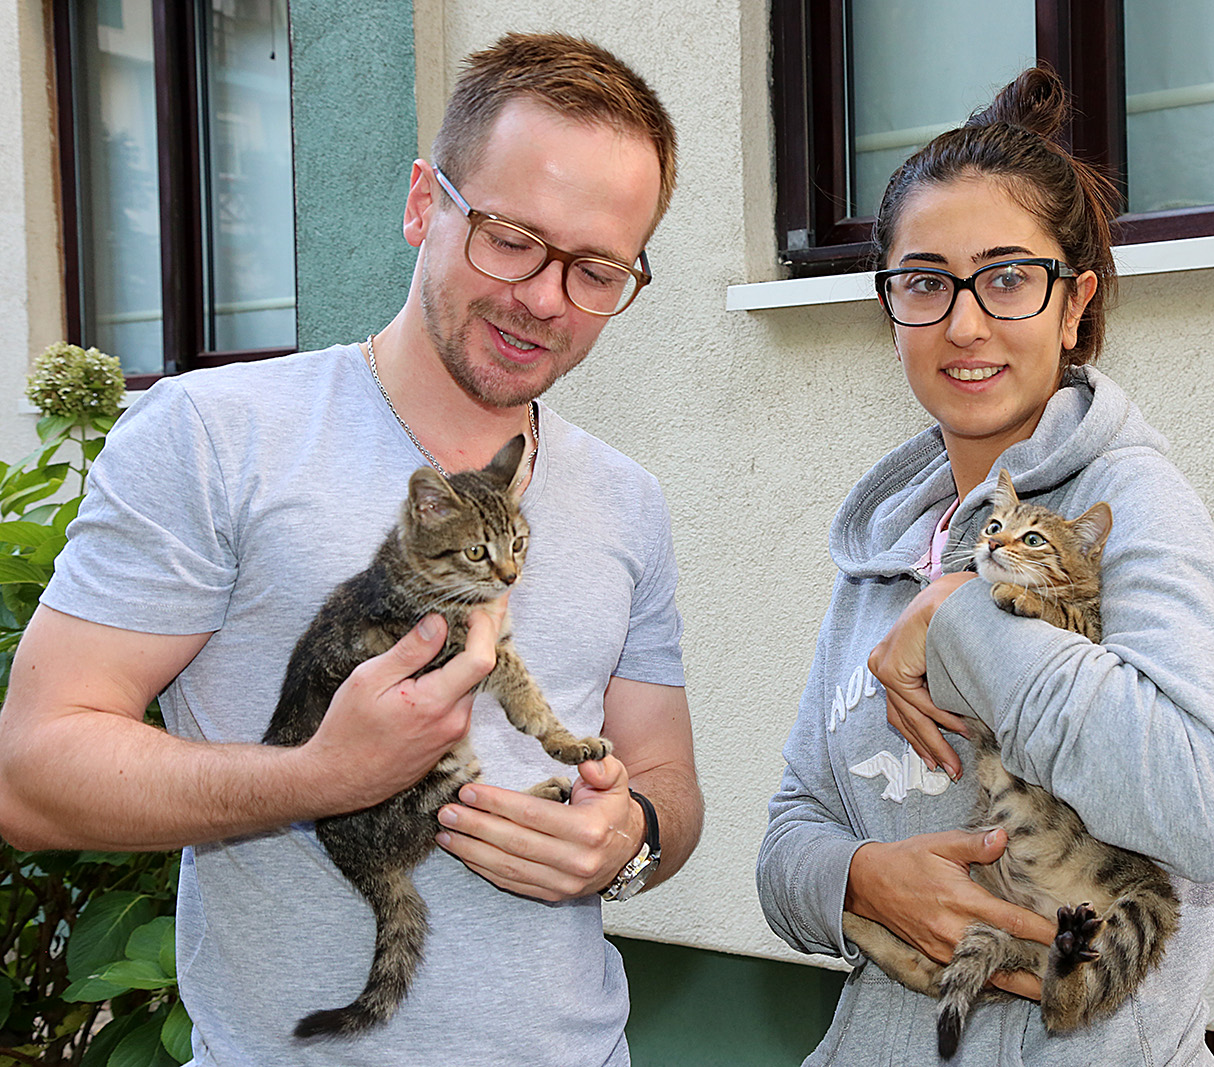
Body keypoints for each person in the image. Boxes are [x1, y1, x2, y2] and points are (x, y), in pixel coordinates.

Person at [0, 32, 701, 1067]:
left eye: (596, 269)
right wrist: (321, 774)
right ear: (423, 203)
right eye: (511, 238)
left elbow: (668, 779)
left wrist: (629, 837)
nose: (546, 297)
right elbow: (29, 775)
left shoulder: (627, 498)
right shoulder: (214, 435)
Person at [756, 67, 1214, 1066]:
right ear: (890, 309)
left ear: (1073, 304)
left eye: (1008, 277)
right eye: (925, 281)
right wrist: (858, 878)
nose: (964, 323)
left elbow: (1205, 810)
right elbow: (788, 836)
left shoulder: (1133, 507)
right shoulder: (883, 547)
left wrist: (965, 616)